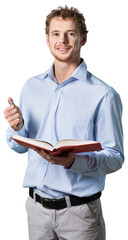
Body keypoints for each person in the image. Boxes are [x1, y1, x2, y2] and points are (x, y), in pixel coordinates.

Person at [4, 5, 124, 240]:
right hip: (36, 211)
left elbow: (115, 157)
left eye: (71, 33)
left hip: (80, 215)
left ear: (83, 38)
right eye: (56, 33)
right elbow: (19, 146)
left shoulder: (104, 95)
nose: (63, 40)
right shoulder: (31, 87)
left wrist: (73, 161)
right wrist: (17, 128)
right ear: (47, 39)